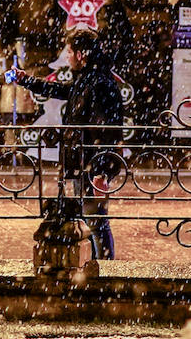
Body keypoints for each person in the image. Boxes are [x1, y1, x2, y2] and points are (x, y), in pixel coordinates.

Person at [8, 26, 124, 259]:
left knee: (96, 220)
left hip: (93, 165)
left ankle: (107, 270)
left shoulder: (99, 82)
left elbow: (106, 131)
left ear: (82, 54)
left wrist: (101, 172)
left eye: (70, 51)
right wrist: (27, 80)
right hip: (85, 162)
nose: (67, 56)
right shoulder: (89, 79)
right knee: (91, 219)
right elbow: (62, 91)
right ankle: (98, 267)